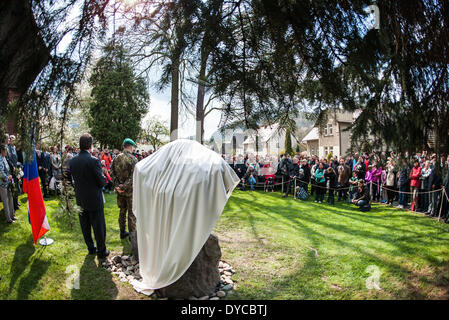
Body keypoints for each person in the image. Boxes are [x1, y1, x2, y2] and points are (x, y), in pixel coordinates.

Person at [69, 133, 109, 259]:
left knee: (85, 226)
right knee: (99, 227)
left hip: (80, 198)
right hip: (94, 199)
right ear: (91, 145)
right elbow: (101, 181)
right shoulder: (93, 161)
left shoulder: (73, 160)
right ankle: (101, 251)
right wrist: (103, 174)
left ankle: (91, 248)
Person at [110, 138, 138, 239]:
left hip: (119, 191)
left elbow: (111, 172)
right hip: (130, 192)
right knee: (131, 214)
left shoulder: (116, 158)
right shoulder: (133, 159)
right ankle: (132, 235)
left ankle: (122, 232)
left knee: (122, 211)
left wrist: (117, 185)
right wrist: (124, 186)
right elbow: (134, 176)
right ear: (130, 147)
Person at [0, 144, 16, 223]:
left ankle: (12, 215)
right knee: (5, 200)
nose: (7, 152)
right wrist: (7, 177)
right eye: (6, 150)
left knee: (10, 197)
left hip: (9, 181)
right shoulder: (0, 159)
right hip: (2, 183)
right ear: (2, 151)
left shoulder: (4, 158)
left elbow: (7, 169)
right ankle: (8, 218)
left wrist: (10, 176)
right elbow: (1, 172)